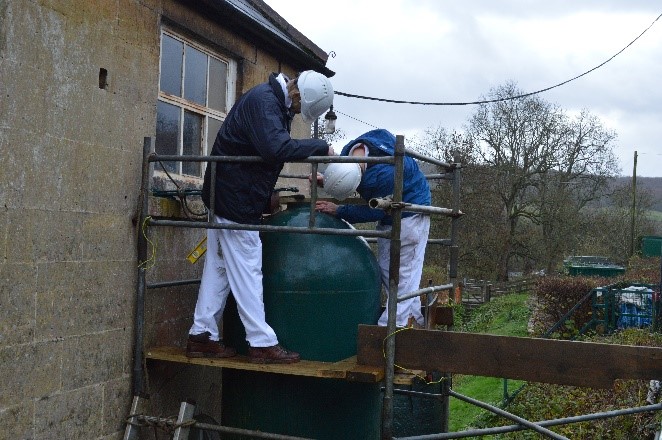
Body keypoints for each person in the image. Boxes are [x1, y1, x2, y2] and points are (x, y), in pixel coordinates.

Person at [187, 70, 335, 363]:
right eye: (297, 109)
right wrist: (321, 147)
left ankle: (201, 334)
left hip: (227, 193)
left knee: (219, 267)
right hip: (234, 200)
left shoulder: (270, 102)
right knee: (248, 265)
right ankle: (261, 342)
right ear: (296, 95)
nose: (295, 113)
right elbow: (275, 148)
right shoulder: (265, 101)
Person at [315, 129, 431, 328]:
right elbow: (348, 177)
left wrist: (340, 210)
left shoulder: (384, 176)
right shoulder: (352, 150)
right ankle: (415, 319)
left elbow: (375, 210)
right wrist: (327, 180)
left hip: (411, 216)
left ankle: (392, 328)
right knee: (387, 269)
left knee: (404, 276)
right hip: (392, 215)